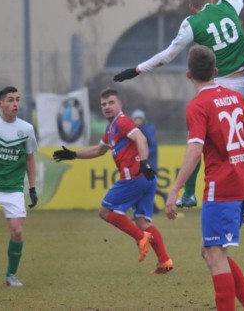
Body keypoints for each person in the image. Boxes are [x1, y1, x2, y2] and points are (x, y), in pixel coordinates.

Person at [114, 0, 244, 210]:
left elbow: (166, 56)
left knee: (199, 139)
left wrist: (136, 70)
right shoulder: (227, 6)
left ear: (192, 7)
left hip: (219, 85)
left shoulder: (192, 23)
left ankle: (189, 192)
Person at [165, 45, 244, 311]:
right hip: (241, 183)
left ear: (189, 75)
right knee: (211, 250)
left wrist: (176, 188)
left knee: (215, 254)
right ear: (215, 71)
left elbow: (195, 148)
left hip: (220, 187)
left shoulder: (198, 104)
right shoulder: (235, 98)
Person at [52, 88, 173, 274]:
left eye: (111, 103)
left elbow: (141, 138)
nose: (107, 107)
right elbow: (99, 150)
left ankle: (141, 238)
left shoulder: (122, 121)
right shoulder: (111, 129)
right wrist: (73, 154)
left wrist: (145, 163)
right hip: (147, 179)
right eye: (103, 104)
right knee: (142, 222)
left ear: (120, 104)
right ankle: (164, 261)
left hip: (134, 177)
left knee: (104, 211)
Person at [0, 86, 38, 287]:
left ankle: (11, 275)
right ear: (0, 103)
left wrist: (32, 188)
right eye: (10, 100)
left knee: (17, 232)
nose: (15, 104)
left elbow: (30, 159)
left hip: (13, 189)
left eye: (17, 100)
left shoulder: (27, 129)